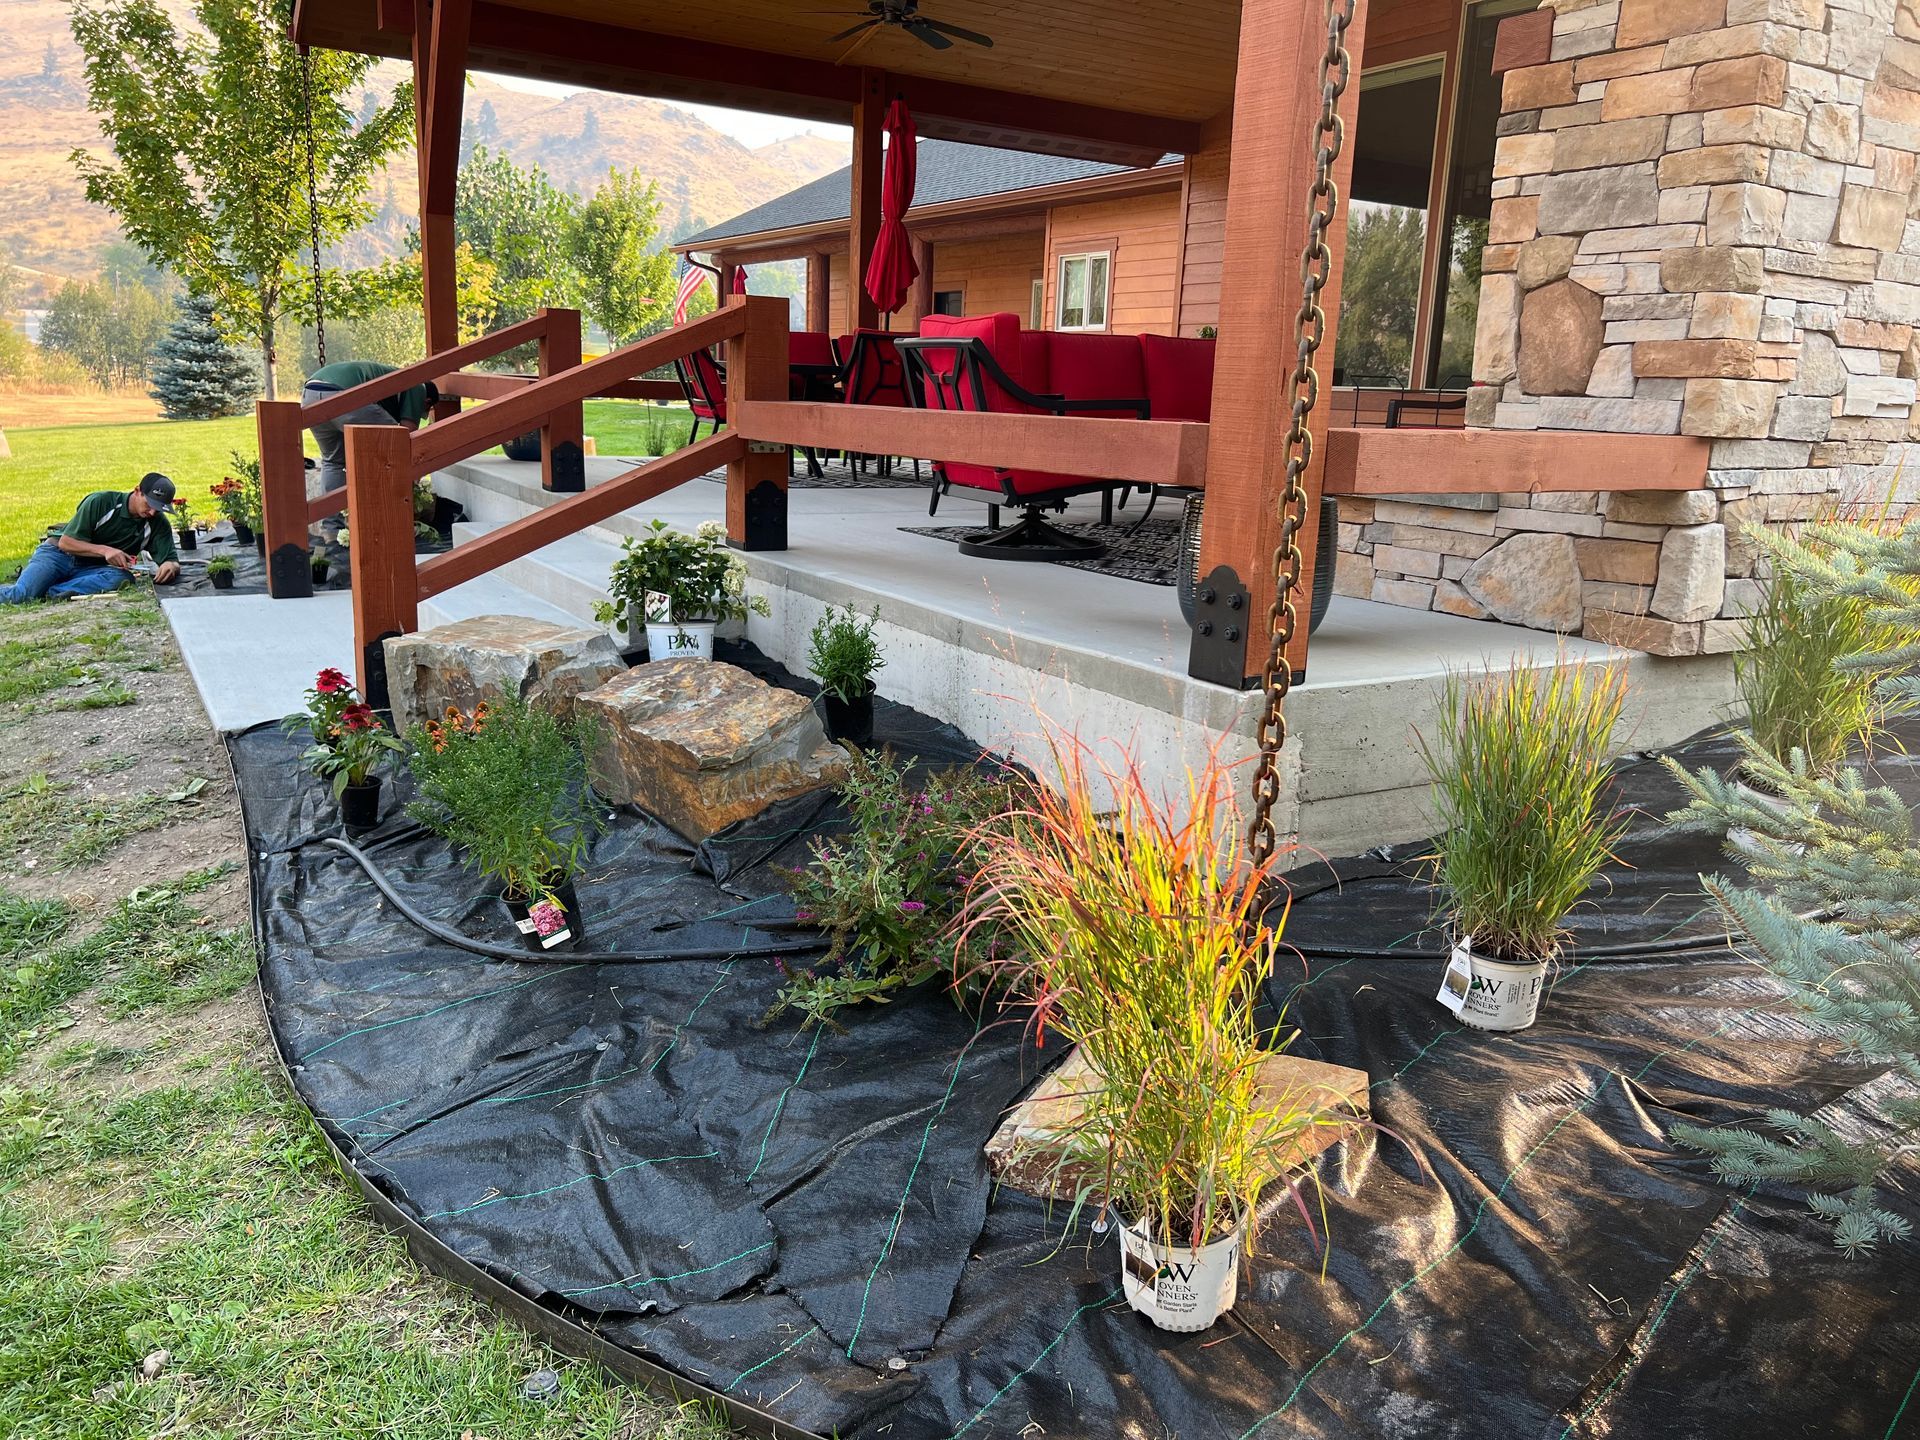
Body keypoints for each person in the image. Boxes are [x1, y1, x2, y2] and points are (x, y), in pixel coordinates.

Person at [303, 362, 439, 542]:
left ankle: (332, 531)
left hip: (310, 394)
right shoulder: (417, 385)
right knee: (394, 443)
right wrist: (412, 480)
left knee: (333, 462)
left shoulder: (391, 382)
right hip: (343, 394)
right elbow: (407, 438)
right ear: (427, 402)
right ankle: (389, 522)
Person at [1, 473, 181, 604]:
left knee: (122, 578)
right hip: (57, 555)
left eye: (158, 508)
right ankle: (38, 587)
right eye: (149, 505)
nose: (152, 512)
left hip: (91, 569)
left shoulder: (157, 522)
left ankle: (51, 591)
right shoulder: (101, 502)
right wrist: (105, 550)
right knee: (21, 595)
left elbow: (171, 560)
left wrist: (170, 566)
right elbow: (66, 542)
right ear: (137, 491)